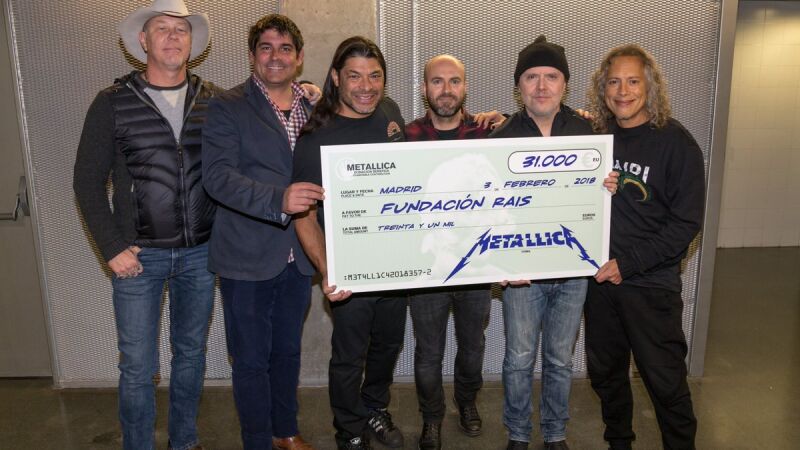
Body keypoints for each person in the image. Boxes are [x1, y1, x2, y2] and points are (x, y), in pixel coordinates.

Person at [73, 1, 219, 449]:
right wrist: (111, 247)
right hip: (138, 257)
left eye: (181, 30)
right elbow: (86, 181)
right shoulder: (111, 102)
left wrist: (307, 93)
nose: (173, 37)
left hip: (201, 255)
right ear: (143, 40)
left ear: (191, 42)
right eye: (162, 29)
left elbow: (255, 126)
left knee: (191, 356)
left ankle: (184, 441)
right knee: (137, 366)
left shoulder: (213, 100)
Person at [201, 14, 324, 450]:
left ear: (299, 57)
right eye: (266, 48)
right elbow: (217, 177)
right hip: (246, 255)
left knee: (287, 351)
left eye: (285, 48)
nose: (276, 56)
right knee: (251, 359)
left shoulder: (314, 107)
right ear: (253, 55)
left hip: (299, 254)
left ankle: (285, 431)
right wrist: (278, 199)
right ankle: (256, 440)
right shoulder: (227, 106)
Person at [490, 35, 616, 450]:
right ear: (518, 85)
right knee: (519, 359)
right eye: (531, 77)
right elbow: (487, 211)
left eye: (551, 76)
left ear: (565, 83)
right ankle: (518, 433)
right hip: (522, 274)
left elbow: (599, 199)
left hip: (573, 271)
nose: (541, 86)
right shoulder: (500, 137)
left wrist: (608, 187)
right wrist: (498, 267)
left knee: (560, 360)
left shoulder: (589, 133)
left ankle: (555, 433)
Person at [585, 44, 704, 450]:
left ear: (650, 86)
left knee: (665, 382)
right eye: (613, 82)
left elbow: (686, 224)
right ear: (602, 89)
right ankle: (619, 442)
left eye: (633, 81)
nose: (623, 91)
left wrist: (629, 264)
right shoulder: (597, 140)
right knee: (606, 375)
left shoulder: (677, 143)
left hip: (650, 286)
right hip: (601, 285)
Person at [292, 36, 406, 450]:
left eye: (375, 76)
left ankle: (374, 408)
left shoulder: (391, 114)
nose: (366, 86)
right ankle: (349, 428)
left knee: (387, 345)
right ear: (336, 78)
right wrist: (329, 270)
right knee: (348, 355)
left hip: (396, 262)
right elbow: (304, 216)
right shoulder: (316, 137)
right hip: (350, 268)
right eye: (355, 76)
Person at [404, 54, 502, 450]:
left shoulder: (488, 134)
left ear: (465, 87)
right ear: (423, 89)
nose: (446, 90)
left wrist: (582, 117)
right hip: (429, 267)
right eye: (437, 81)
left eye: (454, 81)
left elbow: (541, 126)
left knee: (473, 347)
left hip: (477, 267)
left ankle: (466, 402)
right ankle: (432, 417)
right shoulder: (405, 137)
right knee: (428, 352)